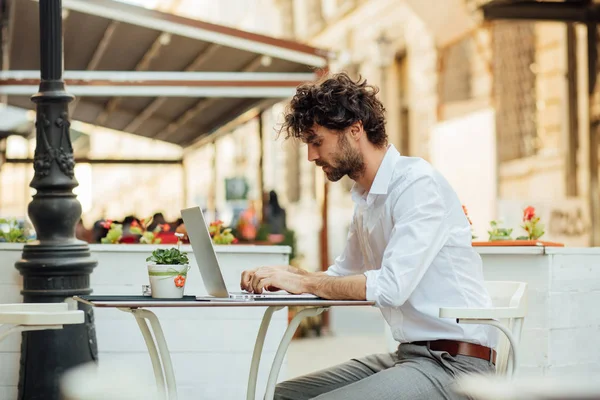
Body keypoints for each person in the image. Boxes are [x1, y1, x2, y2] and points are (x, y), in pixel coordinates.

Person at [240, 73, 496, 400]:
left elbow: (389, 288)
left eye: (316, 141)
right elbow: (340, 278)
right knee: (280, 395)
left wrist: (305, 283)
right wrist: (290, 275)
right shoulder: (366, 197)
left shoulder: (416, 186)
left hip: (456, 365)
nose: (311, 157)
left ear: (355, 130)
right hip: (410, 356)